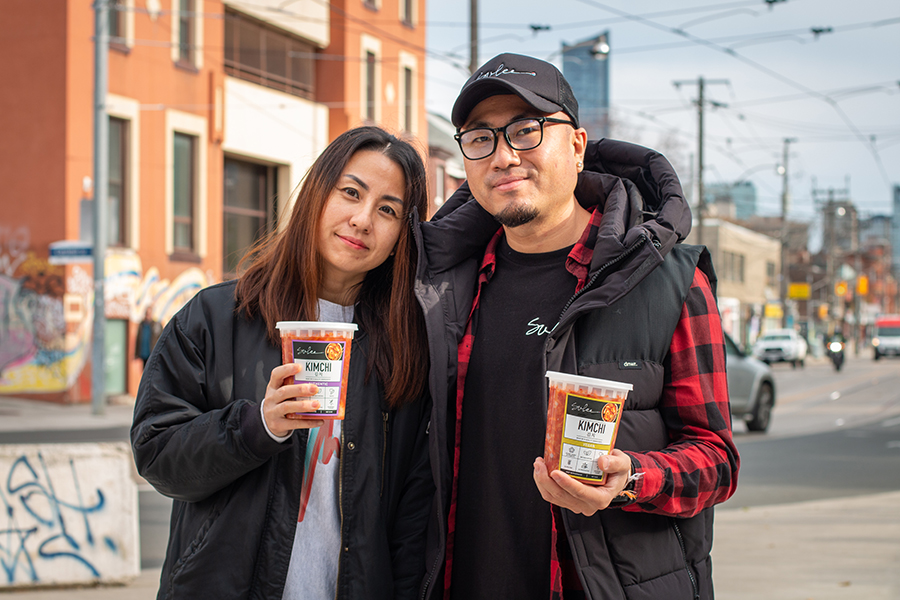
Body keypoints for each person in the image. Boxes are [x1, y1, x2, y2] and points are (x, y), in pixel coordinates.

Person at [414, 53, 740, 599]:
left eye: (526, 131)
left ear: (577, 145)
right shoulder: (439, 288)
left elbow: (717, 459)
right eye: (481, 139)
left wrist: (631, 477)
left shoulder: (669, 281)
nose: (504, 156)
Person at [131, 126, 433, 600]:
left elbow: (412, 514)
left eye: (388, 210)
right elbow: (157, 454)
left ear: (400, 237)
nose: (361, 219)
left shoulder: (404, 346)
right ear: (315, 194)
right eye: (350, 193)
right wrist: (258, 426)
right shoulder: (217, 317)